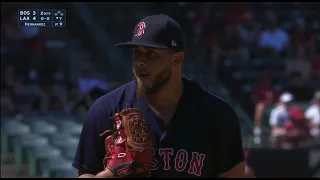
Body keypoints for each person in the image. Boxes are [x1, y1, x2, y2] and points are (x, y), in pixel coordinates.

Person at [73, 14, 245, 178]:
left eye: (151, 54)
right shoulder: (106, 110)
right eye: (137, 53)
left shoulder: (217, 115)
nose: (140, 61)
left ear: (177, 59)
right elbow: (84, 173)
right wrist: (112, 174)